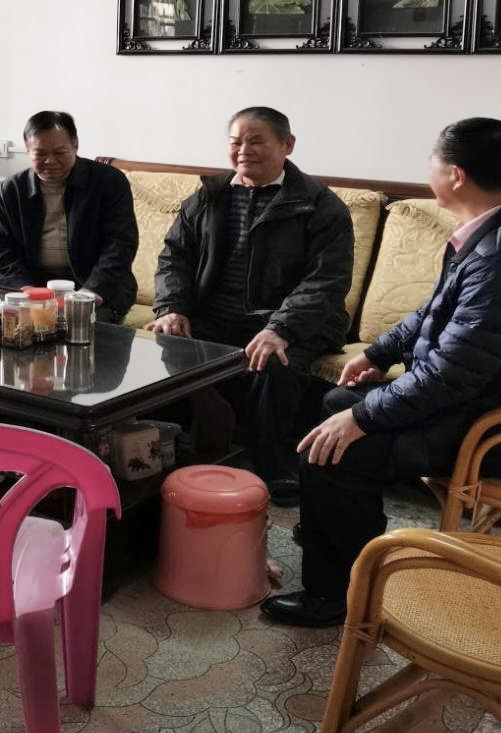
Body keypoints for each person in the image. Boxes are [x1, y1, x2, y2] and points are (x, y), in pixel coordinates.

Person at [262, 118, 501, 627]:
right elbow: (434, 312)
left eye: (432, 162)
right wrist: (378, 353)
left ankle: (337, 596)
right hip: (485, 397)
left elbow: (453, 375)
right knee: (334, 405)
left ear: (455, 174)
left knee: (333, 449)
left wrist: (363, 418)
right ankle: (346, 534)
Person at [148, 107, 353, 503]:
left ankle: (273, 467)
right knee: (164, 347)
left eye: (256, 141)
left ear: (287, 145)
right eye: (236, 142)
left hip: (296, 323)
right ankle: (181, 453)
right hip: (215, 316)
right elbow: (174, 257)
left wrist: (281, 328)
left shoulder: (318, 204)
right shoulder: (209, 196)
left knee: (273, 364)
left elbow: (326, 280)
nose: (244, 150)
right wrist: (171, 307)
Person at [0, 111, 138, 322]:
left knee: (77, 325)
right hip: (33, 286)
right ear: (28, 151)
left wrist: (91, 292)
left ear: (75, 145)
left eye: (59, 152)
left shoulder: (109, 182)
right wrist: (24, 288)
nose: (50, 161)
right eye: (40, 154)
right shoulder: (12, 188)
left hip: (96, 286)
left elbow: (120, 244)